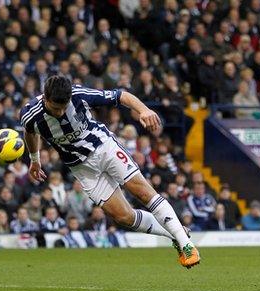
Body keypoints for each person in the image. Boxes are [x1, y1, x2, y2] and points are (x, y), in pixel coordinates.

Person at [21, 75, 199, 268]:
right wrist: (34, 160)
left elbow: (121, 95)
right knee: (123, 216)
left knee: (143, 192)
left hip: (104, 148)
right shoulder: (30, 114)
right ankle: (175, 233)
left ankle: (187, 245)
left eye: (65, 107)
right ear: (45, 98)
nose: (61, 112)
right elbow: (30, 132)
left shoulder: (79, 95)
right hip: (82, 169)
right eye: (56, 108)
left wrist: (144, 110)